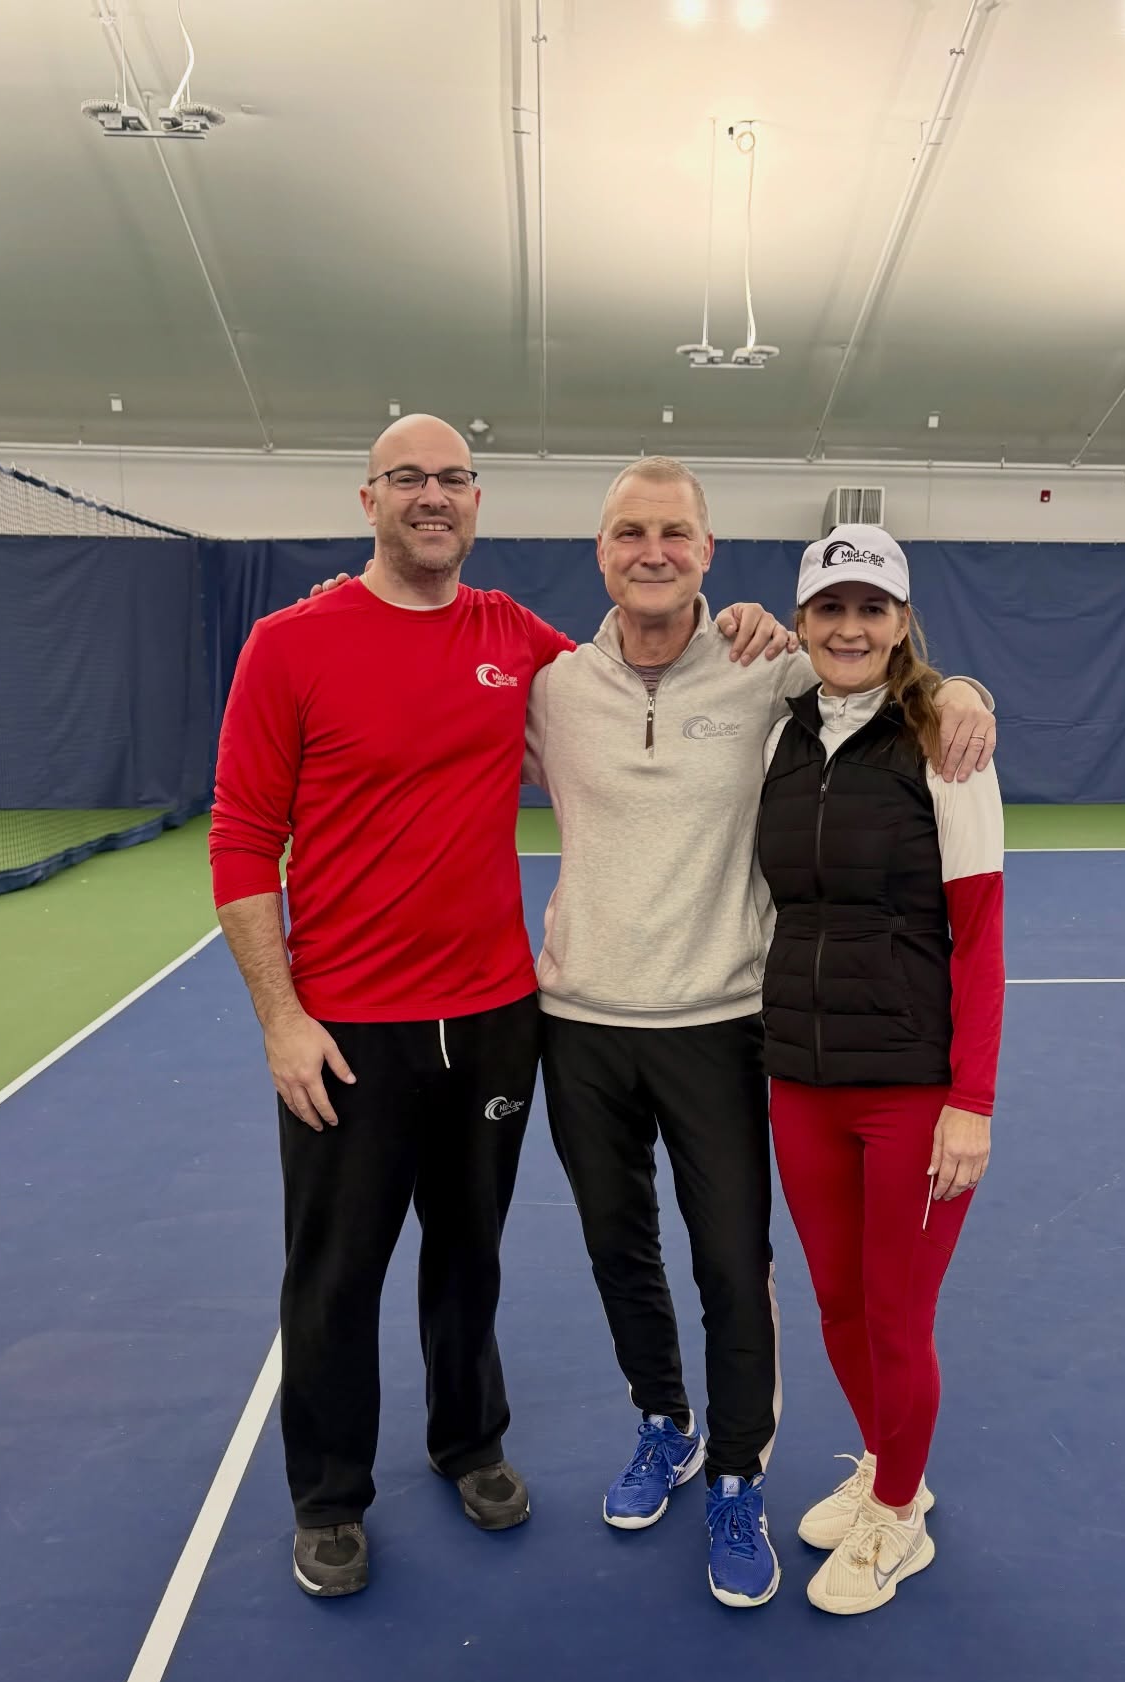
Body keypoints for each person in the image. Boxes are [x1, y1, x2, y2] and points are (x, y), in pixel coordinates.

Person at [210, 416, 789, 1600]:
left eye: (453, 480)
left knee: (469, 1261)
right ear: (368, 495)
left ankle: (469, 1446)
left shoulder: (518, 644)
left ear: (479, 503)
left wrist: (769, 626)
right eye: (409, 479)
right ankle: (329, 1497)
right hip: (348, 1030)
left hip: (494, 1015)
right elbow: (238, 844)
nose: (433, 497)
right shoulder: (288, 642)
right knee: (334, 1275)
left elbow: (670, 666)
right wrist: (281, 1020)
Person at [525, 464, 997, 1608]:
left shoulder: (814, 690)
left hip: (749, 1035)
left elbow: (973, 909)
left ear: (708, 548)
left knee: (763, 1275)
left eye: (673, 531)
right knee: (643, 1259)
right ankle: (686, 1432)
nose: (651, 549)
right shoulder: (558, 684)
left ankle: (761, 1479)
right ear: (599, 551)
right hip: (611, 1030)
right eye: (629, 531)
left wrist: (968, 688)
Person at [757, 525, 1005, 1617]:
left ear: (903, 623)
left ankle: (899, 1517)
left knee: (898, 1321)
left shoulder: (945, 742)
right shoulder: (783, 728)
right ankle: (884, 1466)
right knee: (838, 1308)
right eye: (830, 609)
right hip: (799, 1079)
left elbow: (981, 935)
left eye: (872, 609)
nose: (849, 629)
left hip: (910, 1091)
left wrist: (972, 1104)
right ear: (804, 621)